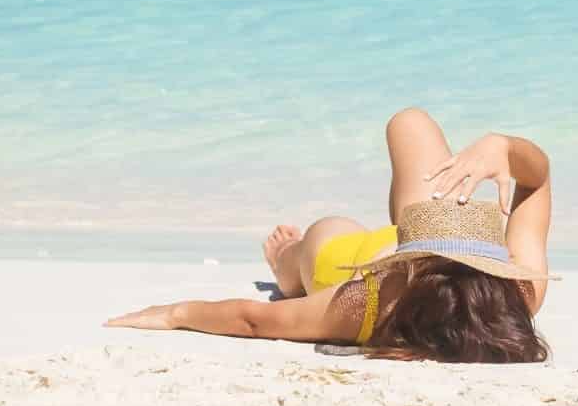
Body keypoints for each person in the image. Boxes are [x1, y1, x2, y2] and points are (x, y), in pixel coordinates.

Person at [103, 107, 552, 362]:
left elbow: (255, 320)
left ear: (416, 265)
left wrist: (177, 312)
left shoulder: (366, 306)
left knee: (314, 245)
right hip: (408, 241)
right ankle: (300, 256)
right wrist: (504, 148)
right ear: (496, 262)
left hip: (347, 258)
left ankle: (285, 262)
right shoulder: (519, 294)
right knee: (410, 123)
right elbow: (539, 181)